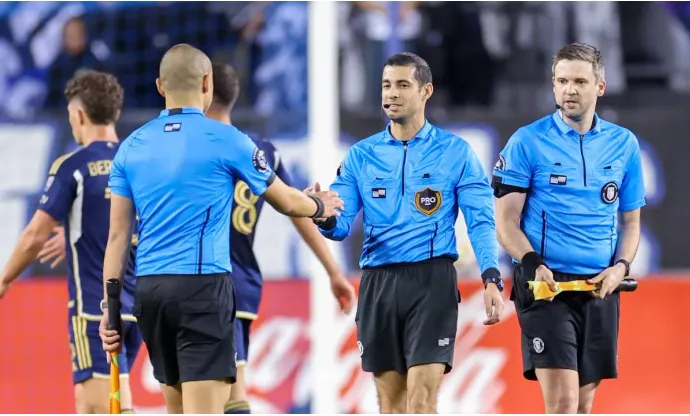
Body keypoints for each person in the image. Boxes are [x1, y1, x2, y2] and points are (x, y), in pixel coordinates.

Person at [97, 44, 343, 414]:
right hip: (202, 289)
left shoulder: (131, 147)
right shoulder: (227, 139)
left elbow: (117, 237)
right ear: (207, 83)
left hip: (150, 292)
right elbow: (287, 202)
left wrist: (111, 308)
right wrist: (320, 206)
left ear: (161, 86)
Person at [310, 52, 506, 414]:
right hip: (379, 284)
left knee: (421, 402)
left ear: (425, 91)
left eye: (402, 85)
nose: (392, 94)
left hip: (432, 283)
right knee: (391, 406)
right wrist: (321, 214)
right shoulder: (361, 156)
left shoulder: (455, 152)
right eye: (386, 85)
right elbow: (340, 225)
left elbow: (480, 220)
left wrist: (491, 276)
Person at [493, 43, 646, 414]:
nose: (569, 90)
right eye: (561, 81)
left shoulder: (623, 144)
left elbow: (630, 222)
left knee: (583, 404)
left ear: (600, 87)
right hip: (545, 288)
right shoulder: (527, 141)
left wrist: (620, 267)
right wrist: (533, 263)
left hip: (599, 286)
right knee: (562, 402)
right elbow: (505, 222)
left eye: (579, 81)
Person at [205, 63, 356, 414]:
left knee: (216, 394)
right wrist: (334, 271)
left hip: (208, 282)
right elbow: (296, 207)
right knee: (223, 390)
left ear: (203, 91)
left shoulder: (197, 149)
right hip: (238, 284)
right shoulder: (262, 152)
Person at [0, 70, 142, 414]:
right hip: (141, 307)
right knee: (93, 402)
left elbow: (35, 234)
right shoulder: (138, 162)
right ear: (115, 112)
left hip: (95, 309)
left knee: (103, 405)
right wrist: (78, 232)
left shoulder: (74, 166)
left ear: (78, 114)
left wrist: (4, 279)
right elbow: (130, 222)